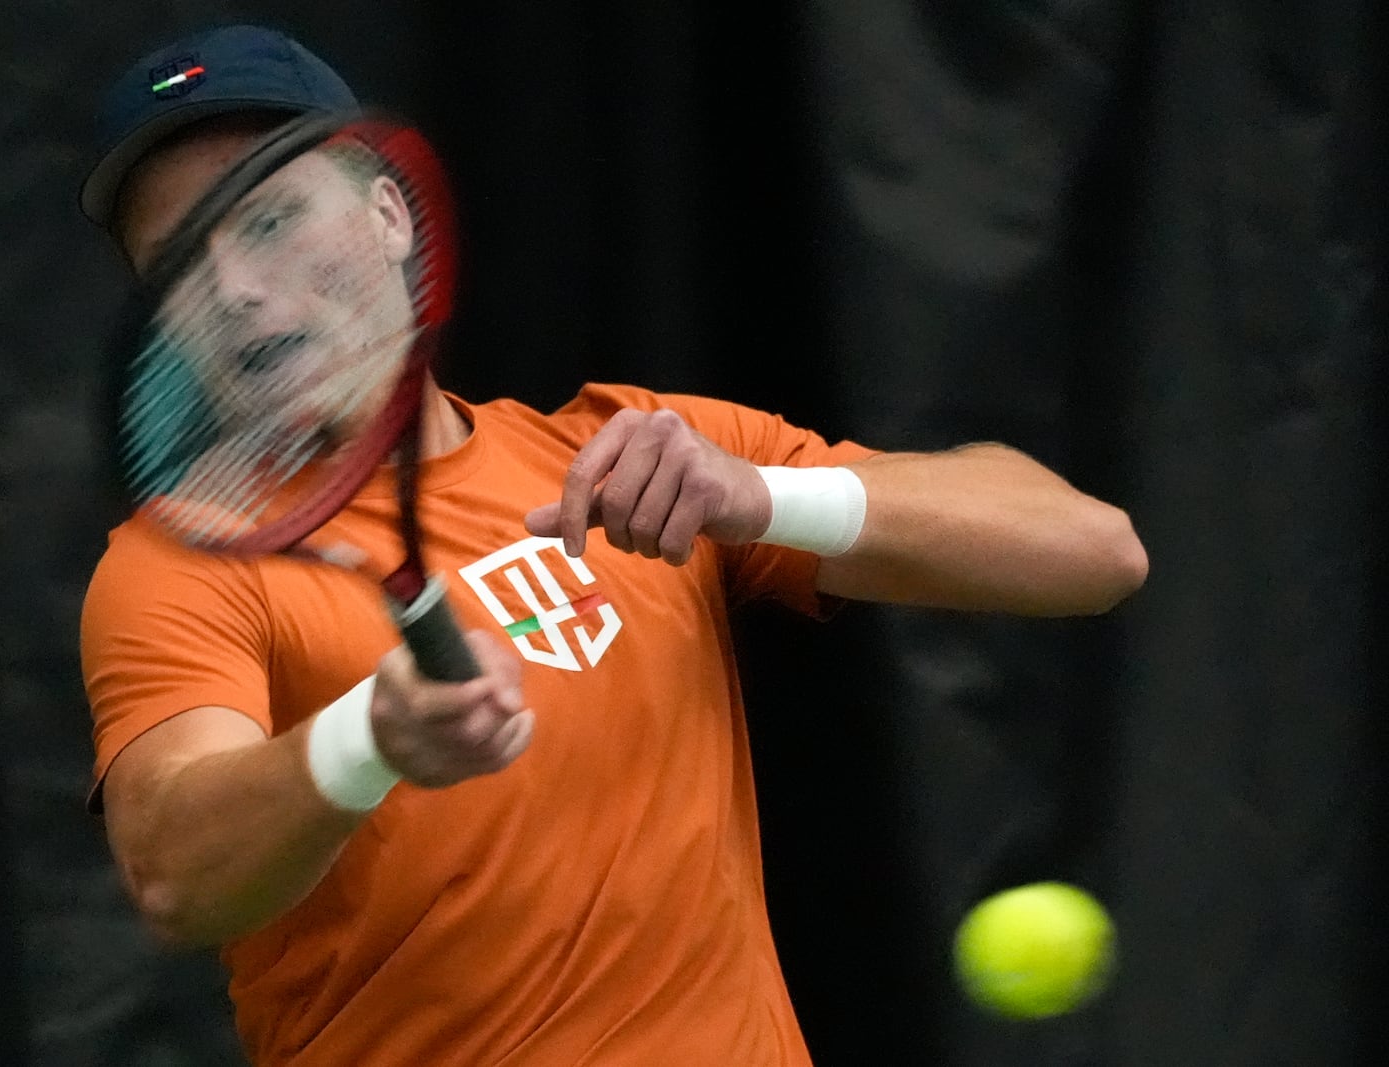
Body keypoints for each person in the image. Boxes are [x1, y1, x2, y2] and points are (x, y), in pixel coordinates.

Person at [76, 22, 1149, 1067]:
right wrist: (370, 738)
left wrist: (762, 495)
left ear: (390, 217)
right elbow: (176, 867)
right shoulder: (178, 569)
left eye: (268, 221)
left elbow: (1093, 551)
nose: (238, 289)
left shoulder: (620, 450)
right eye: (179, 258)